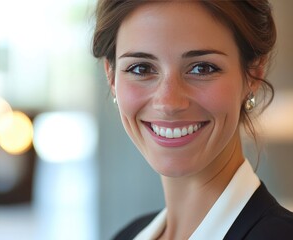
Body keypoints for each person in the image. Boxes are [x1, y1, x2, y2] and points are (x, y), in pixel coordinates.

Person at [92, 0, 293, 239]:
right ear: (111, 77)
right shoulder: (126, 235)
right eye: (141, 68)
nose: (168, 103)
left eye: (202, 68)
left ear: (253, 74)